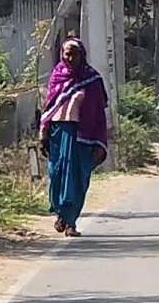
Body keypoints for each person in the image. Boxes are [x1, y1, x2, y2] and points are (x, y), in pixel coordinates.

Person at [39, 37, 109, 238]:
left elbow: (98, 114)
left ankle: (71, 222)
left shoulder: (92, 80)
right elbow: (48, 107)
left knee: (78, 178)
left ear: (82, 55)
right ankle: (60, 213)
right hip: (59, 134)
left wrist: (99, 141)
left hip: (82, 136)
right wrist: (43, 131)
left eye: (74, 54)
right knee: (57, 174)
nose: (70, 58)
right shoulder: (57, 76)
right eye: (66, 54)